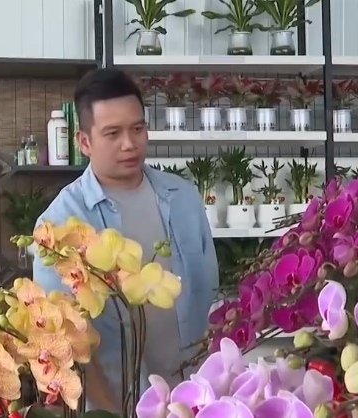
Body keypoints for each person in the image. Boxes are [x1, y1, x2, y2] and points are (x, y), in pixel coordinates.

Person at [31, 68, 219, 413]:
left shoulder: (183, 198)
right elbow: (64, 342)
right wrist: (112, 411)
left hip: (196, 396)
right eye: (113, 133)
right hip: (121, 404)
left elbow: (207, 295)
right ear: (84, 142)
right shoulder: (60, 225)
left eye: (137, 128)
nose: (129, 143)